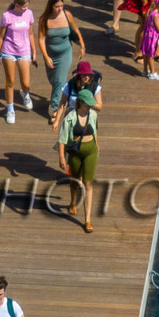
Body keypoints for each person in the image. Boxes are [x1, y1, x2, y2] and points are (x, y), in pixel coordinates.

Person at [56, 89, 101, 232]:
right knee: (75, 180)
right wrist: (62, 157)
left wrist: (97, 147)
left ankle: (87, 220)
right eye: (87, 104)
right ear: (80, 102)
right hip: (75, 152)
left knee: (88, 184)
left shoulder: (93, 115)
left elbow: (95, 131)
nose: (90, 106)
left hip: (91, 152)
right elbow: (62, 140)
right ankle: (73, 202)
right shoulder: (70, 117)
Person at [35, 0, 86, 118]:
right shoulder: (44, 19)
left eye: (62, 6)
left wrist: (82, 45)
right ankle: (62, 98)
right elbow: (41, 39)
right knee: (54, 81)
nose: (60, 9)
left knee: (59, 80)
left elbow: (75, 29)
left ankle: (55, 109)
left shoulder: (67, 15)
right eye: (57, 6)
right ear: (51, 6)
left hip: (65, 53)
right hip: (50, 54)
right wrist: (46, 56)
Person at [0, 0, 36, 124]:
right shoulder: (7, 16)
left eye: (27, 7)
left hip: (24, 51)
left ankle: (25, 94)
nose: (25, 9)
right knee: (10, 81)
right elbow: (1, 37)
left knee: (26, 83)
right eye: (23, 7)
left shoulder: (29, 14)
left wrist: (34, 51)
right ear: (17, 5)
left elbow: (31, 34)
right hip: (9, 51)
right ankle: (10, 109)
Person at [50, 60, 104, 131]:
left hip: (88, 117)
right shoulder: (70, 84)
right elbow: (62, 103)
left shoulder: (94, 86)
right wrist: (57, 121)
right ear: (79, 75)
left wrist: (88, 101)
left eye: (88, 74)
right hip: (71, 115)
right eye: (84, 74)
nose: (87, 77)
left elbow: (99, 107)